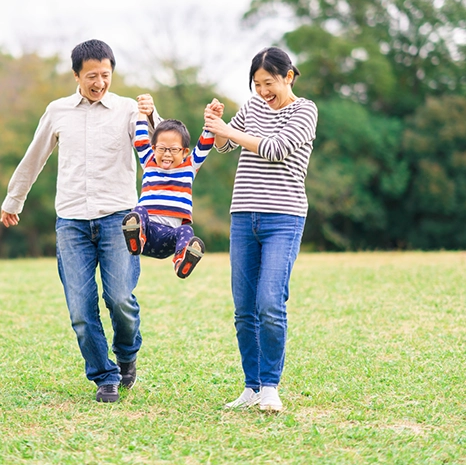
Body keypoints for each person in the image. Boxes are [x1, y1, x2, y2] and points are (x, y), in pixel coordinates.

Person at [0, 39, 161, 403]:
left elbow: (163, 148)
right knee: (80, 308)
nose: (99, 82)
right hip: (71, 221)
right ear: (76, 75)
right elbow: (35, 155)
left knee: (120, 298)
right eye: (92, 76)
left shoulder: (127, 110)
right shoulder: (58, 111)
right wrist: (15, 198)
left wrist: (152, 116)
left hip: (120, 219)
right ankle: (105, 376)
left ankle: (126, 354)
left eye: (106, 75)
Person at [204, 47, 319, 413]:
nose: (263, 91)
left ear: (288, 77)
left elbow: (275, 148)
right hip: (243, 215)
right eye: (256, 84)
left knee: (270, 302)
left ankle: (270, 386)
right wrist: (215, 124)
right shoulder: (253, 107)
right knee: (244, 308)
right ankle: (251, 387)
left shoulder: (305, 110)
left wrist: (229, 134)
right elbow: (223, 145)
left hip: (283, 217)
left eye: (269, 83)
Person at [120, 103, 214, 278]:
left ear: (185, 152)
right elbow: (140, 139)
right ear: (154, 148)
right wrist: (142, 113)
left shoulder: (189, 167)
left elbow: (204, 145)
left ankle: (181, 260)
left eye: (174, 149)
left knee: (187, 232)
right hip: (146, 235)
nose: (167, 154)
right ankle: (135, 237)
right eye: (162, 148)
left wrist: (211, 119)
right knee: (138, 211)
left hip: (168, 239)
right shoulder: (149, 161)